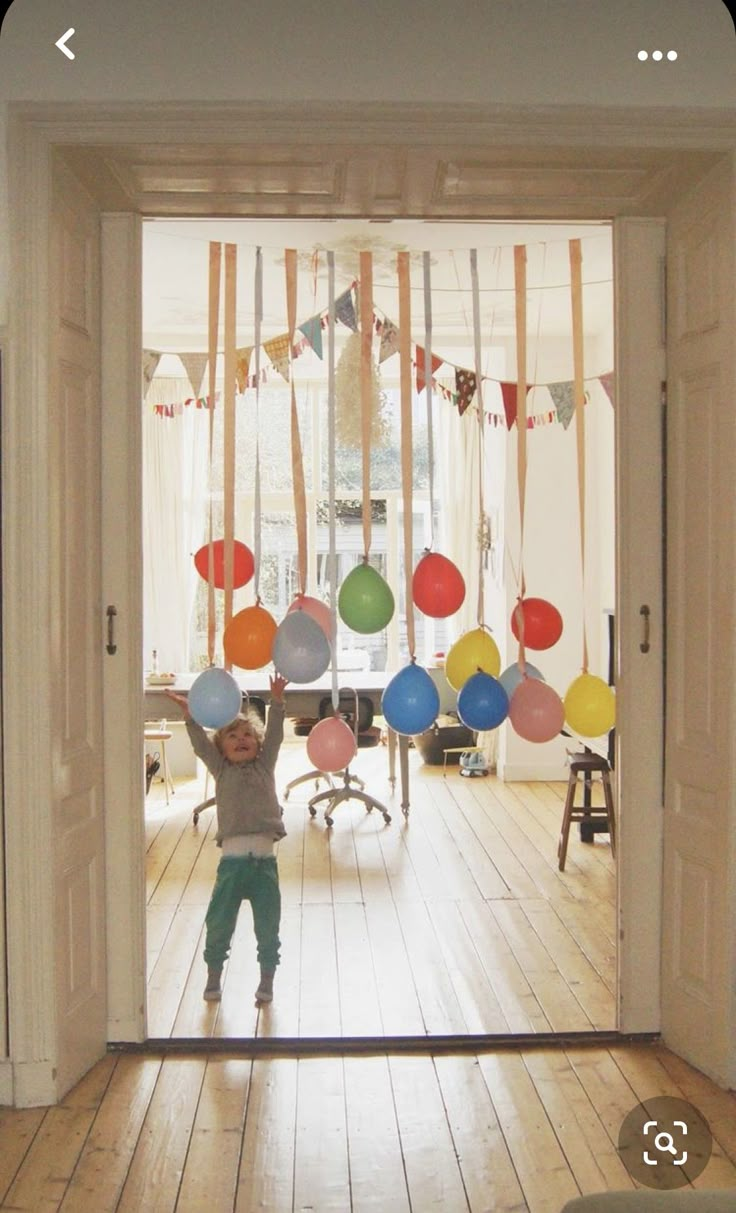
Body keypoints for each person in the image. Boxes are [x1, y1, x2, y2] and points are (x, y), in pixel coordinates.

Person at [165, 675, 288, 1005]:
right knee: (219, 924)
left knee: (268, 927)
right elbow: (200, 746)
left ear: (258, 744)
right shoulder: (220, 769)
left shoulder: (265, 766)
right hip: (231, 867)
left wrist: (277, 702)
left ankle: (266, 981)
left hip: (265, 867)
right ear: (222, 749)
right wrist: (190, 717)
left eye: (247, 734)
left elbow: (275, 735)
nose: (241, 739)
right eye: (232, 736)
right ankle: (214, 976)